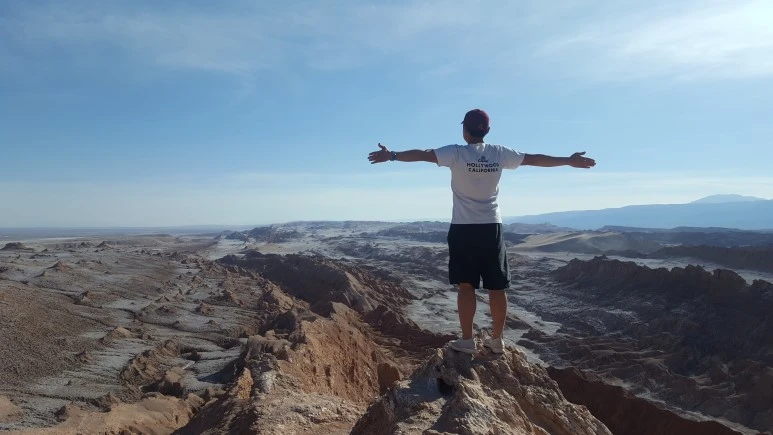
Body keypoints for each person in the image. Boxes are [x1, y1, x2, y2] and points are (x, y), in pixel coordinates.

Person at [367, 108, 596, 355]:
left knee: (466, 286)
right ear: (487, 130)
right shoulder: (499, 153)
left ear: (465, 130)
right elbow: (534, 159)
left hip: (463, 228)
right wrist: (568, 160)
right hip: (491, 227)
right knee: (497, 287)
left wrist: (392, 155)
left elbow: (423, 154)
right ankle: (496, 340)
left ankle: (467, 340)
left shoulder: (456, 153)